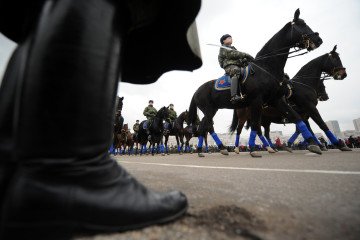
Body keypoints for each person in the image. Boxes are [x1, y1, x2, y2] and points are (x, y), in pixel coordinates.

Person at [0, 0, 202, 239]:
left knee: (39, 15)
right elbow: (148, 115)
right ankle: (70, 174)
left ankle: (10, 168)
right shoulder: (148, 109)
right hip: (141, 121)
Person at [218, 34, 254, 103]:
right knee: (235, 71)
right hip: (229, 66)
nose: (231, 39)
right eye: (228, 38)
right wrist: (246, 55)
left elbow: (238, 58)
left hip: (238, 65)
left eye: (231, 38)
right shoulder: (223, 48)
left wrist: (244, 60)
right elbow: (233, 54)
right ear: (223, 41)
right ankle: (234, 96)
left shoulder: (232, 48)